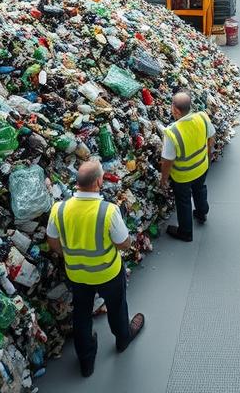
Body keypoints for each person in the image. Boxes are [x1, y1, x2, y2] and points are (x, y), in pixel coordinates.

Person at [47, 160, 145, 377]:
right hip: (108, 273)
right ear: (99, 182)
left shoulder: (59, 209)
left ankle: (86, 361)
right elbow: (124, 243)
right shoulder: (108, 211)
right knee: (117, 307)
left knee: (82, 314)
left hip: (77, 274)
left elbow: (52, 242)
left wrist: (70, 255)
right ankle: (123, 338)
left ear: (77, 182)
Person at [160, 91, 214, 242]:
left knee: (183, 201)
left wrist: (163, 179)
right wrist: (208, 157)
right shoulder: (202, 117)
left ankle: (185, 232)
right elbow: (211, 138)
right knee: (200, 189)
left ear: (176, 110)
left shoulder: (172, 132)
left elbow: (167, 161)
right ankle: (202, 213)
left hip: (183, 176)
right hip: (202, 167)